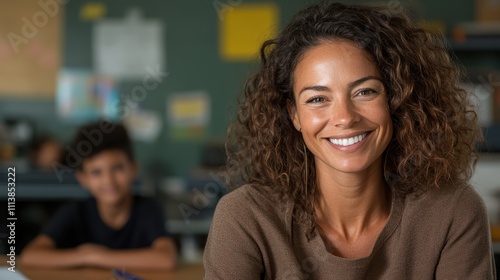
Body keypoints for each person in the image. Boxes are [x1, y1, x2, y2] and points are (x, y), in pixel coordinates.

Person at [204, 2, 495, 279]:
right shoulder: (245, 218)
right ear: (294, 115)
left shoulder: (453, 213)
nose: (344, 117)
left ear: (396, 98)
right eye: (318, 99)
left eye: (365, 92)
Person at [20, 120, 177, 270]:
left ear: (134, 168)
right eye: (96, 172)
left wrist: (97, 256)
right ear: (83, 178)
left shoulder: (147, 209)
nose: (108, 181)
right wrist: (85, 256)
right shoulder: (75, 212)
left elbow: (166, 259)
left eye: (117, 168)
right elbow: (30, 255)